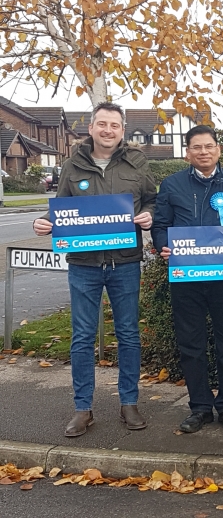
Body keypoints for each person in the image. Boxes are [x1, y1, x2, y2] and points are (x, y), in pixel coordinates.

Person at [33, 102, 156, 437]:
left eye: (114, 125)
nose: (107, 130)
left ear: (122, 130)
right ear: (91, 127)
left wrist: (149, 215)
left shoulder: (137, 162)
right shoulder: (72, 165)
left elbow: (151, 200)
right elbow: (59, 210)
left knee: (129, 335)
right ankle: (82, 408)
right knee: (83, 337)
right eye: (102, 124)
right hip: (84, 265)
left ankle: (129, 402)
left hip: (125, 262)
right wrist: (43, 222)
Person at [151, 125, 223, 434]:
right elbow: (160, 225)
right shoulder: (171, 185)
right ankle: (199, 407)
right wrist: (163, 246)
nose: (203, 152)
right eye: (196, 147)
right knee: (191, 344)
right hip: (186, 277)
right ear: (187, 153)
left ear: (218, 150)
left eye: (209, 146)